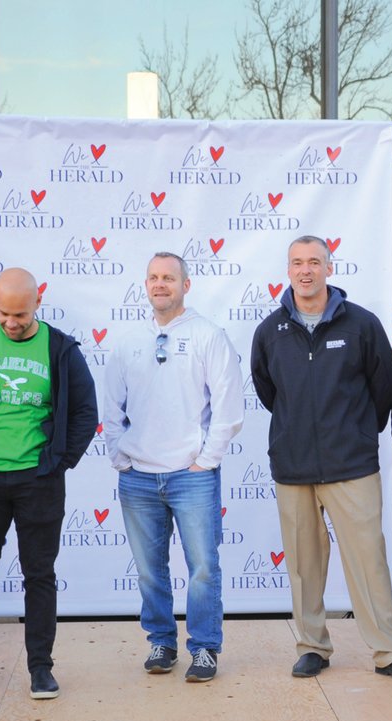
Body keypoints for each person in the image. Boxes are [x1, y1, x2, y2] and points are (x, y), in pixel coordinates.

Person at [250, 235, 392, 683]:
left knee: (368, 559)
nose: (305, 271)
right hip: (293, 466)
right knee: (304, 565)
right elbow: (269, 391)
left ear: (329, 268)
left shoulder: (361, 325)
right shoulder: (270, 331)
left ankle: (389, 651)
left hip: (352, 465)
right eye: (296, 263)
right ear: (288, 270)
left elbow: (385, 387)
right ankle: (312, 647)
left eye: (313, 262)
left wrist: (359, 432)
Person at [0, 267, 96, 699]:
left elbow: (85, 412)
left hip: (37, 482)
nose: (11, 322)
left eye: (21, 315)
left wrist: (57, 464)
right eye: (5, 313)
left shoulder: (61, 349)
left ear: (37, 302)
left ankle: (40, 669)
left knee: (39, 575)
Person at [104, 252, 244, 683]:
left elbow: (228, 406)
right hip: (139, 478)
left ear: (186, 284)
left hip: (191, 476)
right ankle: (161, 642)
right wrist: (121, 456)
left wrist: (205, 461)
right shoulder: (127, 341)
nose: (160, 284)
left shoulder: (208, 335)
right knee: (149, 568)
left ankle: (204, 648)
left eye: (169, 277)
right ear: (145, 286)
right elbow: (111, 407)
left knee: (203, 566)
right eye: (153, 278)